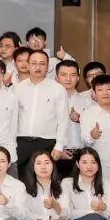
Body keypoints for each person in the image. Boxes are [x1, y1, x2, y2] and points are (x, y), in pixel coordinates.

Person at [13, 50, 69, 178]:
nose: (38, 67)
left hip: (47, 143)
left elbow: (63, 120)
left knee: (45, 180)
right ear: (28, 65)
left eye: (42, 64)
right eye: (34, 63)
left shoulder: (58, 89)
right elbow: (12, 118)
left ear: (48, 67)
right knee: (21, 180)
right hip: (21, 143)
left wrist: (59, 146)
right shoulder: (17, 88)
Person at [54, 59, 86, 179]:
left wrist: (80, 119)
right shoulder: (50, 101)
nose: (68, 79)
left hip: (80, 154)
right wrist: (59, 149)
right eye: (63, 75)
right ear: (57, 78)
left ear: (78, 78)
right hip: (57, 152)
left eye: (72, 75)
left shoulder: (86, 101)